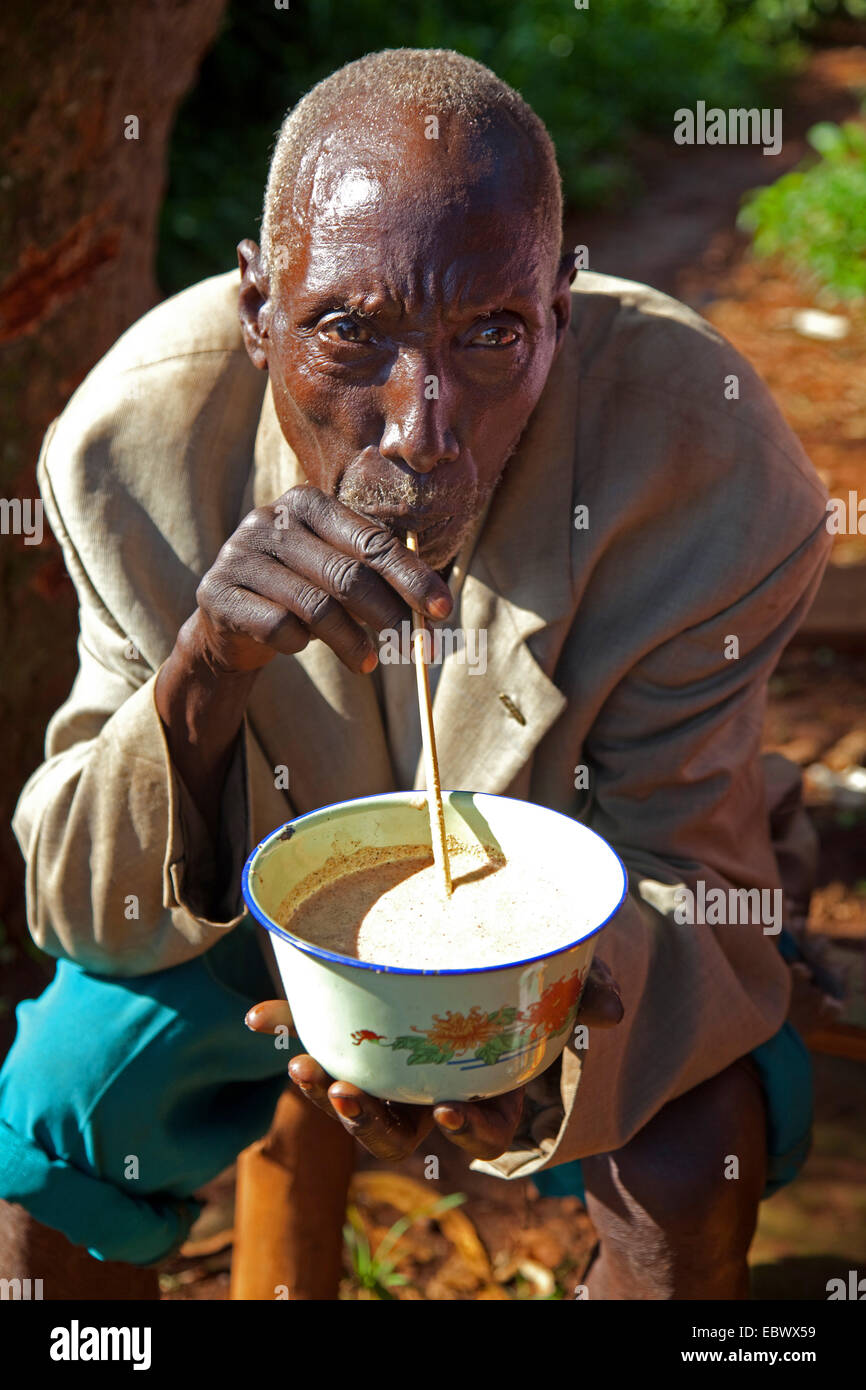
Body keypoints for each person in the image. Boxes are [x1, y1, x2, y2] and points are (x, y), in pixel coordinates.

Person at [0, 49, 834, 1301]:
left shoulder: (706, 474)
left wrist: (530, 1059)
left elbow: (681, 868)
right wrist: (204, 672)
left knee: (691, 1165)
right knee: (53, 1119)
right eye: (349, 333)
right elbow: (76, 907)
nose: (420, 429)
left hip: (579, 957)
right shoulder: (137, 452)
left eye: (491, 333)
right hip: (235, 937)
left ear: (561, 309)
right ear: (255, 308)